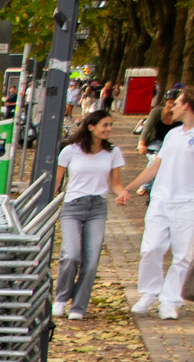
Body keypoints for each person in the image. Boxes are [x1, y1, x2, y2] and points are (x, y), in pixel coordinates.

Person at [53, 109, 128, 320]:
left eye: (110, 125)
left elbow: (115, 183)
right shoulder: (70, 151)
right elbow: (56, 182)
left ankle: (78, 306)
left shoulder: (113, 152)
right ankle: (60, 298)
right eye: (105, 125)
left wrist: (122, 193)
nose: (109, 129)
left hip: (97, 206)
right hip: (73, 206)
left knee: (91, 259)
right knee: (70, 254)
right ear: (91, 126)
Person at [127, 86, 194, 319]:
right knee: (151, 248)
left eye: (176, 103)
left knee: (183, 254)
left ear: (186, 106)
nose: (171, 106)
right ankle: (149, 292)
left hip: (188, 203)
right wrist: (128, 187)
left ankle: (170, 300)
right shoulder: (172, 134)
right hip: (161, 200)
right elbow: (155, 166)